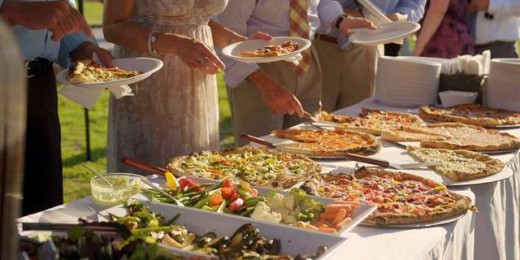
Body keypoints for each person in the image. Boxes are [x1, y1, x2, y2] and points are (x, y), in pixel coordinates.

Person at [103, 0, 271, 172]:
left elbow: (196, 18)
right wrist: (174, 44)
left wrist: (238, 42)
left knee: (196, 170)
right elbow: (112, 27)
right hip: (150, 83)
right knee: (150, 175)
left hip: (197, 81)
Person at [0, 0, 112, 215]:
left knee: (44, 209)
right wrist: (11, 12)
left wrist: (82, 48)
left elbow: (60, 16)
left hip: (39, 90)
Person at [216, 0, 376, 145]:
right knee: (259, 150)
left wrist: (341, 20)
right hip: (259, 67)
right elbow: (224, 40)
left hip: (306, 59)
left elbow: (322, 2)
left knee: (307, 143)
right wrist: (264, 83)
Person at [314, 0, 425, 112]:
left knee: (358, 119)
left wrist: (401, 16)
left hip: (369, 44)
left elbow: (415, 3)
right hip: (324, 43)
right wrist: (339, 14)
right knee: (313, 119)